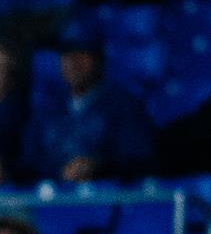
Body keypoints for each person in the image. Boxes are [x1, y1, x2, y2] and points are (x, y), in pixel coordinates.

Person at [26, 36, 154, 184]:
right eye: (66, 54)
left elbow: (139, 159)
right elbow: (28, 164)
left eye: (82, 53)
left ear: (98, 60)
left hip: (104, 199)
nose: (73, 61)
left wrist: (98, 166)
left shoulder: (123, 105)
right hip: (54, 200)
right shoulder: (47, 108)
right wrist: (58, 171)